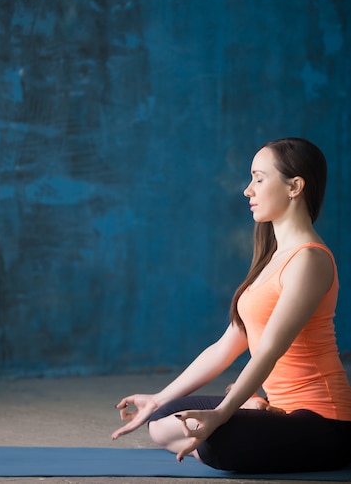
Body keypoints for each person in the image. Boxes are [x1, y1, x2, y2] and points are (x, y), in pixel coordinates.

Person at [112, 137, 351, 473]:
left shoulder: (309, 260)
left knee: (216, 442)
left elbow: (267, 351)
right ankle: (255, 411)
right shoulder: (274, 259)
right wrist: (158, 398)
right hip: (282, 409)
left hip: (325, 421)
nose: (247, 190)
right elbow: (225, 347)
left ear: (295, 186)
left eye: (259, 178)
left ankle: (249, 415)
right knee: (163, 418)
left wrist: (222, 414)